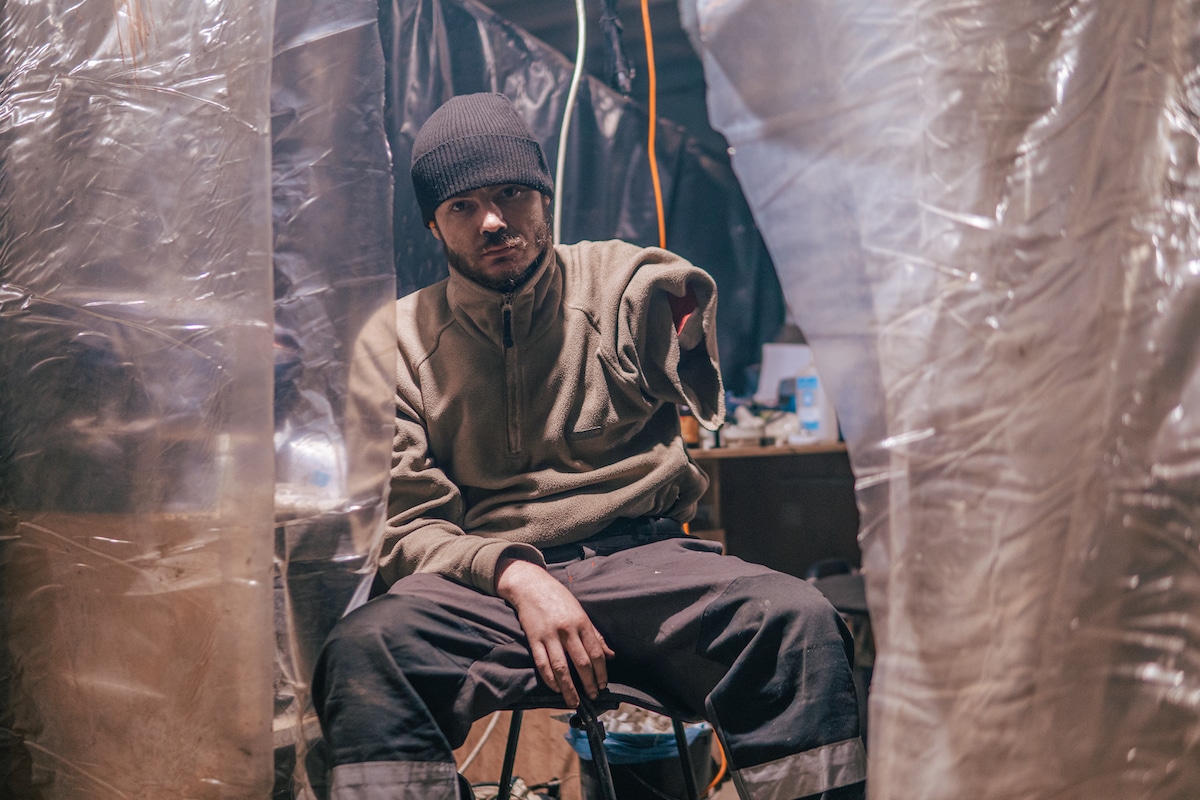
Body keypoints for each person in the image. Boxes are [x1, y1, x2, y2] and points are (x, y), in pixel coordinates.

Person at [312, 92, 866, 800]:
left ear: (544, 196)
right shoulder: (394, 340)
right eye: (462, 206)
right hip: (490, 594)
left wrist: (683, 325)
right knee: (367, 652)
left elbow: (663, 293)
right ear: (433, 223)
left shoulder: (611, 280)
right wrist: (517, 575)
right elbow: (403, 523)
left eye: (511, 193)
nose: (492, 220)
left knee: (795, 623)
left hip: (649, 571)